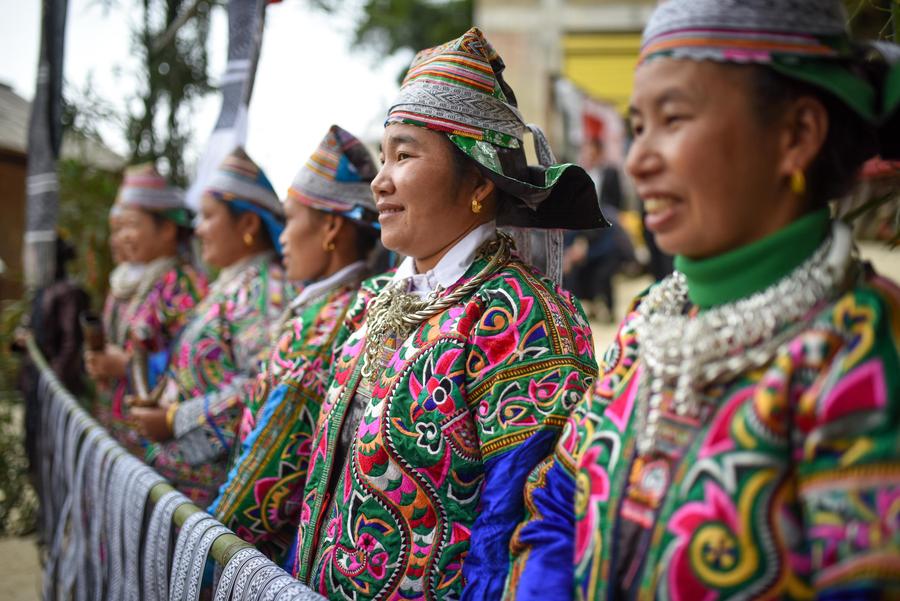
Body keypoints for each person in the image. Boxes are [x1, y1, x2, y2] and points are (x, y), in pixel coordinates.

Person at [506, 1, 900, 598]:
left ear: (797, 135)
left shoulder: (865, 345)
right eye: (639, 126)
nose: (638, 160)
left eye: (674, 119)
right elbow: (556, 508)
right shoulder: (647, 323)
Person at [291, 28, 605, 600]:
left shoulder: (523, 318)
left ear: (480, 182)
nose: (379, 182)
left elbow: (513, 534)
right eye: (382, 157)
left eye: (404, 155)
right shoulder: (378, 301)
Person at [210, 125, 381, 567]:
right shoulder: (331, 306)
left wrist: (206, 542)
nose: (281, 236)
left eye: (290, 220)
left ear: (329, 227)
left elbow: (276, 464)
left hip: (266, 558)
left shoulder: (330, 321)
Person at [130, 147, 290, 508]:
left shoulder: (266, 291)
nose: (198, 229)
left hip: (213, 498)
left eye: (208, 216)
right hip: (186, 488)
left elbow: (261, 387)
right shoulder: (234, 283)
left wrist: (174, 420)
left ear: (248, 224)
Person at [84, 164, 207, 453]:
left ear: (166, 229)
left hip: (154, 445)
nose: (122, 237)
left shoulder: (182, 285)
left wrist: (126, 366)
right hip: (115, 432)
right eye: (118, 228)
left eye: (132, 225)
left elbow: (194, 362)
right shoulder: (127, 282)